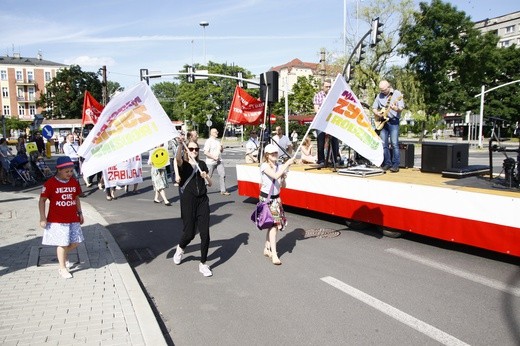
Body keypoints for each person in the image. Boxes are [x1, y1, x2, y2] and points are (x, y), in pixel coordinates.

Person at [38, 156, 84, 279]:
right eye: (67, 171)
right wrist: (43, 218)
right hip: (57, 219)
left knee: (76, 242)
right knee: (62, 243)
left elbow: (76, 198)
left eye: (71, 171)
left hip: (72, 217)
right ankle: (62, 268)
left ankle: (62, 255)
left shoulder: (74, 182)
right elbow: (42, 200)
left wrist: (80, 213)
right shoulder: (50, 183)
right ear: (59, 170)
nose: (70, 174)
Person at [173, 139, 214, 277]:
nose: (194, 151)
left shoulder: (202, 164)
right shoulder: (183, 164)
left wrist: (206, 177)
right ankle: (180, 248)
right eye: (191, 149)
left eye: (196, 149)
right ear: (187, 150)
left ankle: (203, 264)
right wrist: (180, 145)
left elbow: (211, 183)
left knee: (205, 235)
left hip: (202, 200)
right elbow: (177, 159)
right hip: (188, 201)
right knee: (189, 233)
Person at [260, 144, 294, 265]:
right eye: (272, 153)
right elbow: (274, 175)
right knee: (274, 226)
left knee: (273, 226)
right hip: (267, 199)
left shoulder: (279, 166)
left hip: (276, 199)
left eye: (276, 153)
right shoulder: (264, 166)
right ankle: (274, 254)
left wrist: (284, 177)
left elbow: (283, 186)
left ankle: (266, 248)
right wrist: (286, 164)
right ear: (267, 155)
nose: (275, 155)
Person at [372, 80, 405, 173]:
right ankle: (387, 163)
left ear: (388, 87)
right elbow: (374, 107)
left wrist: (396, 109)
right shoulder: (379, 95)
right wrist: (377, 113)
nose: (382, 92)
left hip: (393, 121)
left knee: (394, 143)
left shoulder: (397, 94)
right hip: (383, 122)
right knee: (384, 144)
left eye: (384, 90)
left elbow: (401, 108)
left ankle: (396, 164)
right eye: (381, 90)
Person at [313, 79, 340, 166]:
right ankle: (321, 160)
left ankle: (334, 159)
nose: (328, 88)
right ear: (322, 87)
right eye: (326, 86)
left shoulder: (333, 96)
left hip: (331, 121)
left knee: (335, 140)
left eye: (329, 86)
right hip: (321, 121)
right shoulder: (318, 95)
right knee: (320, 140)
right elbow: (316, 109)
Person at [204, 128, 230, 195]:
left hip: (219, 161)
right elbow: (206, 152)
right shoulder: (208, 141)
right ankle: (203, 189)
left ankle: (223, 190)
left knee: (222, 175)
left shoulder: (218, 141)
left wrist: (221, 147)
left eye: (217, 131)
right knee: (208, 176)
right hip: (210, 162)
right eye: (215, 132)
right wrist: (213, 157)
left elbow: (221, 151)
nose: (217, 133)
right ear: (211, 133)